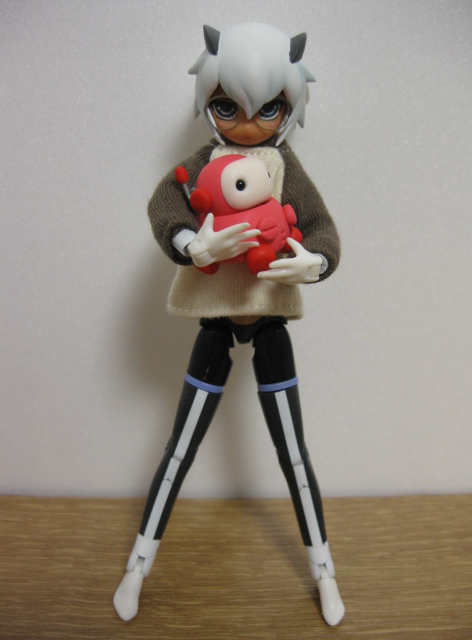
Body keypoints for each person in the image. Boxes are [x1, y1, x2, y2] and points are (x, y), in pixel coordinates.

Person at [114, 22, 345, 627]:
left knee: (293, 451)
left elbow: (322, 227)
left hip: (269, 321)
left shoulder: (284, 166)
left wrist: (315, 262)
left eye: (268, 109)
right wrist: (192, 243)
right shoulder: (202, 164)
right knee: (181, 445)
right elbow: (164, 204)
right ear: (207, 104)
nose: (247, 125)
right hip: (215, 319)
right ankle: (138, 564)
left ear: (288, 108)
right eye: (227, 107)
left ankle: (324, 570)